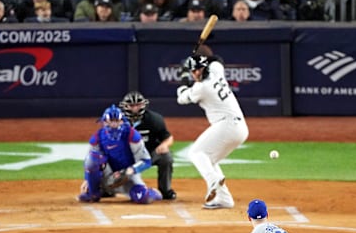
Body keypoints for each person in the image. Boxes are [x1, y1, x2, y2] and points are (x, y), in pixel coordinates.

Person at [176, 52, 249, 209]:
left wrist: (183, 78)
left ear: (203, 68)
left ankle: (212, 180)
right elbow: (217, 59)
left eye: (197, 70)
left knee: (195, 153)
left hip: (227, 125)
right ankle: (224, 199)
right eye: (193, 71)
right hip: (239, 127)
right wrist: (197, 57)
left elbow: (181, 98)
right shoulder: (216, 70)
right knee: (209, 160)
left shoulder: (201, 88)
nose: (195, 73)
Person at [77, 104, 163, 204]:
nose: (113, 125)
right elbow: (90, 162)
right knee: (93, 158)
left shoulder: (132, 135)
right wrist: (87, 180)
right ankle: (93, 193)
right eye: (110, 121)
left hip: (127, 174)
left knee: (142, 197)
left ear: (122, 121)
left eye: (116, 121)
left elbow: (146, 161)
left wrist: (131, 170)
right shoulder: (98, 137)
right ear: (104, 122)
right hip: (107, 174)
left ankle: (151, 193)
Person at [119, 91, 177, 200]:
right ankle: (105, 189)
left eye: (138, 105)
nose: (135, 108)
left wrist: (164, 145)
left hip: (149, 155)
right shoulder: (118, 121)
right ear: (125, 106)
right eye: (131, 105)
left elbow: (168, 137)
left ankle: (165, 190)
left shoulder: (154, 119)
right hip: (127, 157)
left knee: (166, 157)